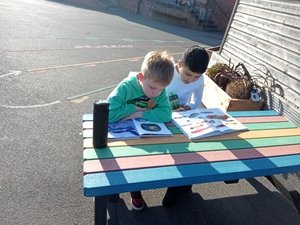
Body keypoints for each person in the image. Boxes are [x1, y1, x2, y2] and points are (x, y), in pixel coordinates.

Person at [106, 50, 174, 210]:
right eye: (152, 88)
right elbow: (108, 114)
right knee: (116, 162)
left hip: (143, 135)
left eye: (160, 89)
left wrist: (139, 113)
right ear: (141, 78)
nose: (155, 93)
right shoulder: (126, 87)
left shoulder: (159, 89)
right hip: (118, 136)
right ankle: (113, 189)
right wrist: (132, 107)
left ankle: (135, 189)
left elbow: (166, 114)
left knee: (141, 162)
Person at [163, 45, 209, 207]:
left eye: (196, 77)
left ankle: (179, 185)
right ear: (180, 64)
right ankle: (177, 183)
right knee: (167, 150)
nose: (190, 79)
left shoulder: (200, 80)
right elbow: (156, 94)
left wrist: (189, 108)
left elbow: (197, 100)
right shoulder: (168, 72)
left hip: (183, 118)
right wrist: (170, 107)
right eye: (188, 74)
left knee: (184, 150)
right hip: (162, 114)